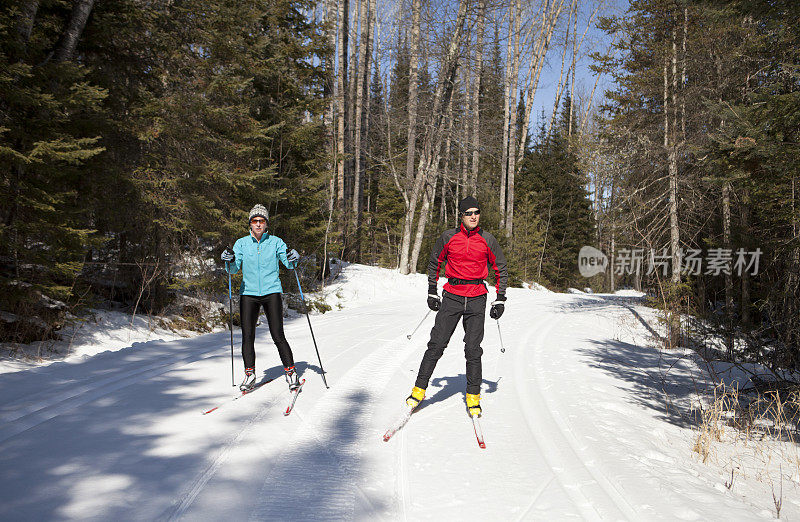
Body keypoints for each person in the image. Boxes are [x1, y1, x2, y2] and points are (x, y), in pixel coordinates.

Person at [405, 196, 507, 417]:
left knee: (473, 350)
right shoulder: (449, 237)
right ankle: (419, 390)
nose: (473, 216)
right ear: (461, 215)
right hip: (452, 296)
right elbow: (435, 262)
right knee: (436, 345)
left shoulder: (488, 240)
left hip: (477, 297)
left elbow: (500, 269)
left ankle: (473, 396)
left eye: (476, 212)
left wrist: (500, 299)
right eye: (468, 213)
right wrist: (432, 290)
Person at [221, 204, 302, 392]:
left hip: (271, 291)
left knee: (277, 334)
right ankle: (250, 374)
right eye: (255, 221)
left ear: (266, 224)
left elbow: (289, 264)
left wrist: (294, 258)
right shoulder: (241, 243)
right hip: (248, 293)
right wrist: (229, 260)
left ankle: (291, 372)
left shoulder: (276, 242)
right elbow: (233, 269)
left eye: (261, 221)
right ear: (250, 224)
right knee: (248, 336)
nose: (258, 224)